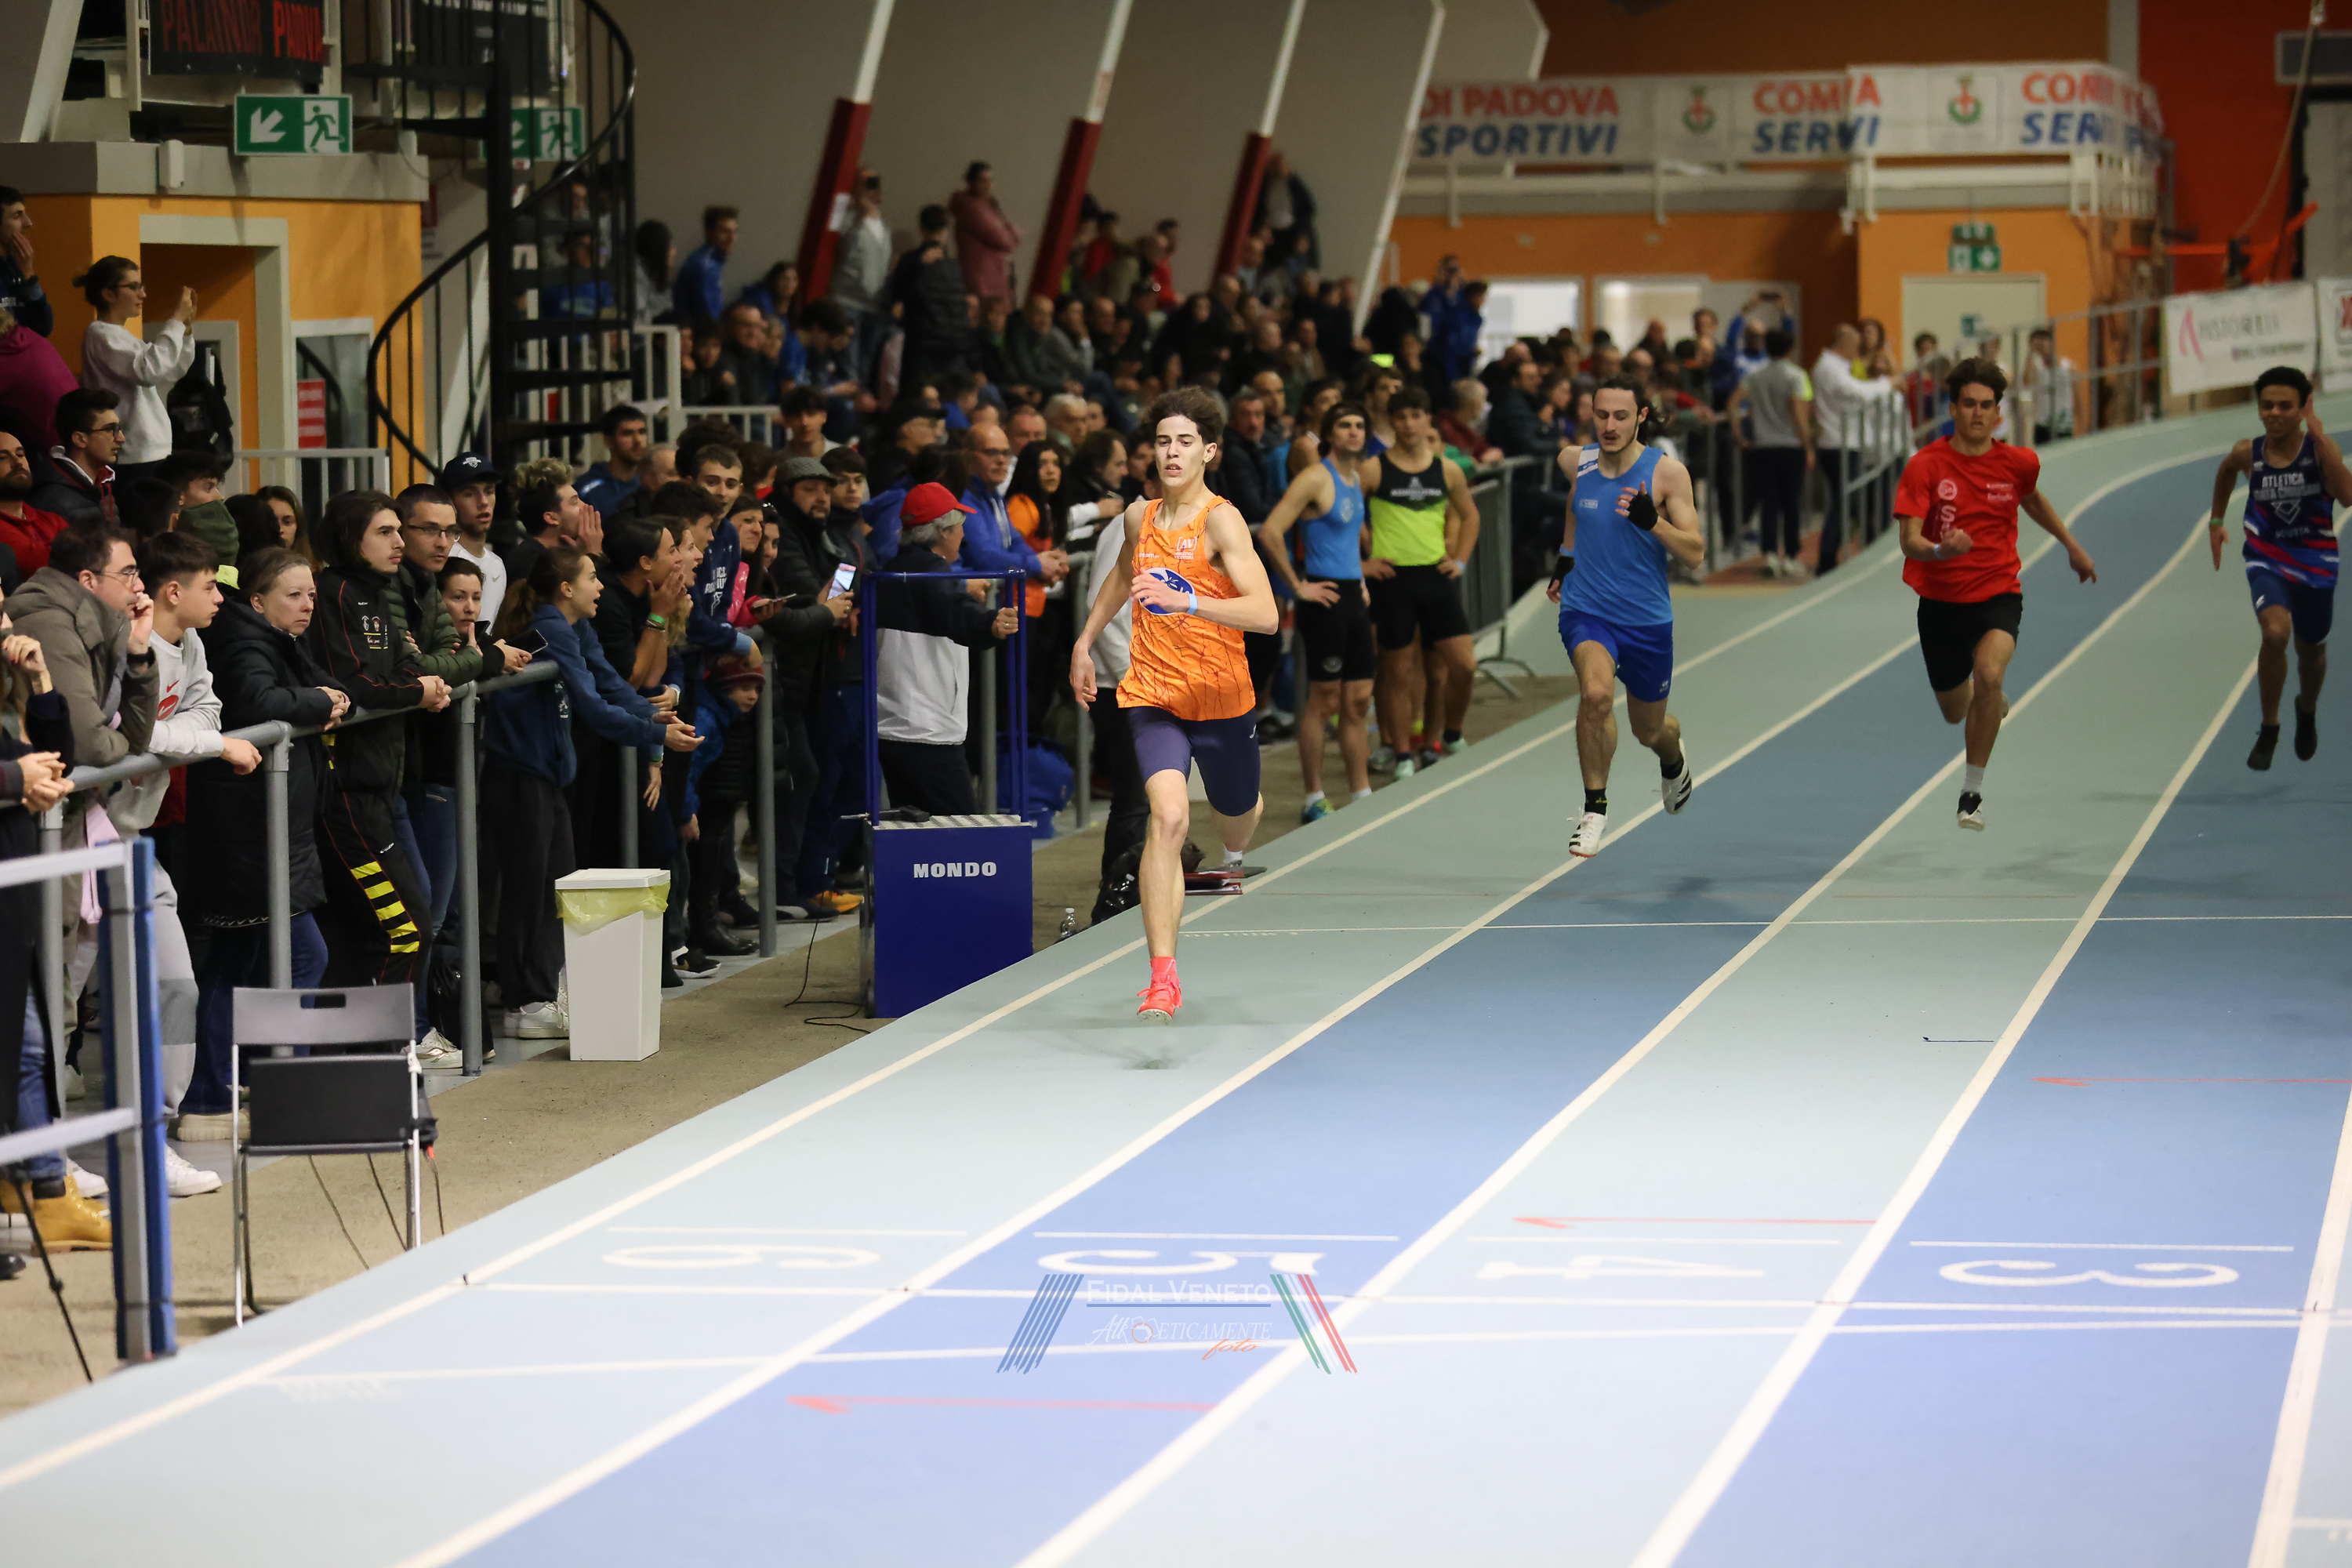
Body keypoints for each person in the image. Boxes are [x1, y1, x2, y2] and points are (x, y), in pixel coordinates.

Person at [1069, 387, 1279, 1023]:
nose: (1172, 452)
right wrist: (1084, 641)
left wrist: (1189, 600)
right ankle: (1163, 978)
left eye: (1185, 442)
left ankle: (1245, 812)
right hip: (1154, 695)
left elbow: (1265, 614)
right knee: (1166, 818)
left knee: (1235, 822)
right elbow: (1121, 576)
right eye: (1163, 441)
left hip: (1222, 701)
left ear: (1209, 452)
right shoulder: (1139, 517)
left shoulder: (1221, 521)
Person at [485, 546, 696, 1036]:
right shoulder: (549, 627)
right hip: (519, 773)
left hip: (548, 773)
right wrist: (653, 732)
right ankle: (523, 1002)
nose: (601, 586)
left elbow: (611, 685)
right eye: (592, 578)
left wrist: (652, 715)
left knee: (557, 882)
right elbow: (592, 707)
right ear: (566, 589)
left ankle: (539, 990)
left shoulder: (574, 626)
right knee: (530, 891)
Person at [1896, 357, 2097, 830]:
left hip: (1997, 594)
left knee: (1989, 674)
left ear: (1998, 412)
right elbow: (1908, 540)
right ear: (1953, 408)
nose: (1977, 413)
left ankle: (1971, 793)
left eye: (1986, 405)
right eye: (1968, 404)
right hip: (1941, 602)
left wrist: (2071, 545)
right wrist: (1941, 550)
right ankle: (1986, 702)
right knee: (1954, 710)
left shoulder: (2018, 463)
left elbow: (2032, 498)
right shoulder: (1925, 466)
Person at [180, 547, 343, 1130]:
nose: (306, 605)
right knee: (293, 956)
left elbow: (319, 684)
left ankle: (233, 1088)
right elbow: (258, 701)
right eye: (293, 595)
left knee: (240, 960)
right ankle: (257, 1090)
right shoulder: (245, 643)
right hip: (246, 833)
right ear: (257, 600)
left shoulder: (276, 639)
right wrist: (320, 702)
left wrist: (331, 697)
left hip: (262, 830)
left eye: (311, 595)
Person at [118, 530, 254, 1189]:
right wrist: (209, 745)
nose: (221, 597)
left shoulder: (192, 642)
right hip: (79, 840)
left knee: (178, 986)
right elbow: (131, 733)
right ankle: (43, 1159)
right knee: (58, 1007)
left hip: (134, 842)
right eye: (209, 586)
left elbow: (208, 713)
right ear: (174, 591)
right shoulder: (125, 644)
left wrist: (196, 740)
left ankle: (156, 1139)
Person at [1550, 375, 1708, 858]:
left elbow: (1696, 553)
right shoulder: (1575, 460)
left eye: (1621, 416)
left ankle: (1672, 755)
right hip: (1587, 608)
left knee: (1649, 731)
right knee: (1595, 695)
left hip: (1645, 619)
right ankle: (1594, 810)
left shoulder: (1667, 474)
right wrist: (1565, 558)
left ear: (1641, 416)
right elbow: (1577, 505)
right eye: (1602, 415)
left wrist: (1653, 522)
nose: (1610, 425)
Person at [307, 491, 452, 986]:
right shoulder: (335, 594)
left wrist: (423, 685)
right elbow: (356, 683)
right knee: (404, 931)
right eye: (385, 532)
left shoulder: (376, 591)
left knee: (389, 932)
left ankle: (385, 1033)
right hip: (346, 791)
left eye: (398, 530)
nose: (399, 543)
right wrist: (418, 692)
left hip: (380, 785)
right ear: (351, 538)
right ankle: (388, 1033)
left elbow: (406, 664)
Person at [0, 588, 95, 1244]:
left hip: (16, 886)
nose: (8, 625)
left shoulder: (9, 686)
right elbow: (20, 771)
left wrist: (40, 683)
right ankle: (44, 1184)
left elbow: (63, 755)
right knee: (30, 1043)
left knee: (29, 1043)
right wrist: (16, 780)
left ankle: (37, 1183)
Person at [2207, 366, 2350, 768]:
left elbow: (2348, 496)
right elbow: (2226, 472)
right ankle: (2269, 726)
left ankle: (2307, 708)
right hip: (2266, 557)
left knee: (2312, 653)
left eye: (2285, 406)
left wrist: (2320, 439)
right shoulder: (2247, 453)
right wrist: (2216, 521)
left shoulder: (2321, 451)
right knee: (2275, 633)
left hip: (2316, 562)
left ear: (2303, 409)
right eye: (2267, 405)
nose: (2274, 413)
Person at [873, 482, 1019, 812]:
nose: (963, 536)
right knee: (960, 829)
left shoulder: (894, 570)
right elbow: (956, 612)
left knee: (912, 829)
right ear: (942, 532)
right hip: (928, 730)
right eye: (959, 527)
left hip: (893, 725)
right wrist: (990, 623)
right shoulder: (933, 573)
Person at [1260, 401, 1374, 821]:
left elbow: (1348, 540)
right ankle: (1314, 797)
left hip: (1352, 596)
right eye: (1345, 425)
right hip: (1324, 598)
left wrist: (1360, 578)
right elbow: (1271, 531)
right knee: (1323, 700)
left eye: (1359, 425)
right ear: (1329, 434)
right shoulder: (1314, 477)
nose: (1354, 431)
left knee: (1358, 700)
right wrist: (1297, 585)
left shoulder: (1355, 478)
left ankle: (1362, 792)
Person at [1360, 386, 1478, 779]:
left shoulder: (1447, 469)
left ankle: (1448, 735)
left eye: (1416, 416)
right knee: (1398, 671)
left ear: (1428, 419)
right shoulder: (1374, 469)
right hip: (1393, 578)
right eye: (1401, 417)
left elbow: (1471, 516)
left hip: (1435, 575)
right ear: (1391, 422)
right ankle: (1404, 755)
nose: (1409, 424)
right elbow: (1344, 513)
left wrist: (1459, 560)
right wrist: (1363, 560)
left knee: (1462, 666)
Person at [74, 256, 198, 486]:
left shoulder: (123, 336)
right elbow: (148, 371)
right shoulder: (100, 335)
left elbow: (170, 371)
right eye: (133, 287)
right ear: (108, 294)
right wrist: (175, 321)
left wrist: (184, 330)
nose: (143, 295)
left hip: (150, 450)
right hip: (131, 453)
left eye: (142, 286)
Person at [1726, 328, 1813, 577]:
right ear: (1790, 348)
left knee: (1769, 504)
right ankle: (1791, 555)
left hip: (1762, 447)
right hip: (1790, 446)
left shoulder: (1755, 375)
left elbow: (1732, 404)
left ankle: (1771, 554)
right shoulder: (1796, 375)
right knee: (1791, 503)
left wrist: (1739, 435)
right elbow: (1798, 413)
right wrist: (1807, 445)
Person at [28, 387, 123, 526]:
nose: (121, 438)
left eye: (119, 429)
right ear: (80, 439)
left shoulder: (103, 484)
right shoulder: (51, 501)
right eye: (110, 430)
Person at [953, 162, 1023, 307]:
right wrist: (1011, 231)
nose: (988, 186)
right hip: (982, 275)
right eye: (983, 181)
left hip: (991, 273)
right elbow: (1004, 240)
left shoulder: (988, 205)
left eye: (990, 181)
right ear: (971, 182)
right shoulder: (972, 208)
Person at [0, 429, 67, 577]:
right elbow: (37, 564)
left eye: (20, 454)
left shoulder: (51, 519)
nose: (18, 462)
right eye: (3, 458)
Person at [578, 404, 651, 517]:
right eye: (627, 433)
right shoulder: (587, 490)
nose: (638, 440)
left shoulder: (651, 483)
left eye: (642, 432)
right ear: (608, 441)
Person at [0, 188, 52, 338]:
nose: (28, 223)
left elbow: (42, 328)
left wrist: (28, 275)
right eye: (17, 216)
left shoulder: (16, 265)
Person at [673, 205, 738, 323]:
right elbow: (709, 317)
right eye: (725, 232)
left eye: (734, 232)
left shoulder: (711, 261)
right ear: (709, 232)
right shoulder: (704, 266)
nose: (732, 239)